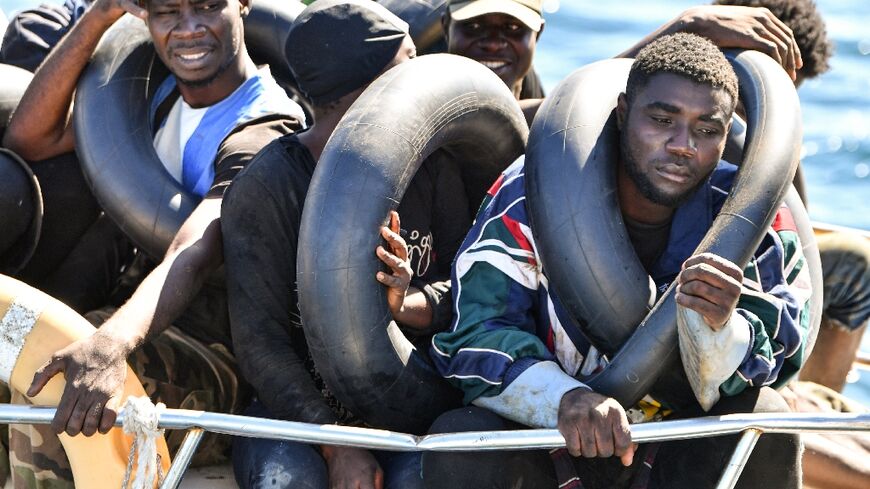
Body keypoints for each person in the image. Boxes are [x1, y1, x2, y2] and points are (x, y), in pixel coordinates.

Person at [426, 33, 809, 488]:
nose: (682, 145)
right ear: (624, 112)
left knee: (766, 419)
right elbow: (475, 335)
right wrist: (563, 399)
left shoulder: (746, 215)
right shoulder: (536, 192)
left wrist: (725, 329)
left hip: (677, 443)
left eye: (707, 130)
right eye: (663, 120)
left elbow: (786, 343)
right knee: (460, 436)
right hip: (547, 443)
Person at [1, 0, 304, 487]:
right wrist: (100, 16)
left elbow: (196, 245)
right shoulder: (158, 96)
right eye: (167, 12)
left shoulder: (266, 126)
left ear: (243, 5)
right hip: (142, 322)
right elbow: (31, 140)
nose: (187, 30)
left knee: (53, 380)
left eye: (206, 8)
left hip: (221, 355)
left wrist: (109, 344)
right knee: (15, 360)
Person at [221, 1, 470, 487]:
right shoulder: (268, 188)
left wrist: (407, 303)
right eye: (407, 67)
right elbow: (261, 347)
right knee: (288, 479)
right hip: (293, 415)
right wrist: (334, 444)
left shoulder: (434, 166)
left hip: (408, 401)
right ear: (366, 91)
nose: (425, 83)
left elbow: (468, 289)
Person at [713, 1, 870, 488]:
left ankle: (808, 396)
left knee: (854, 266)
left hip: (762, 342)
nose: (769, 105)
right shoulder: (679, 131)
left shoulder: (773, 136)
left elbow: (792, 256)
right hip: (710, 348)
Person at [441, 0, 804, 124]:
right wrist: (687, 27)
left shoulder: (529, 83)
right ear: (446, 27)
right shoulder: (430, 93)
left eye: (511, 28)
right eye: (473, 26)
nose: (492, 42)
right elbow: (510, 121)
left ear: (537, 35)